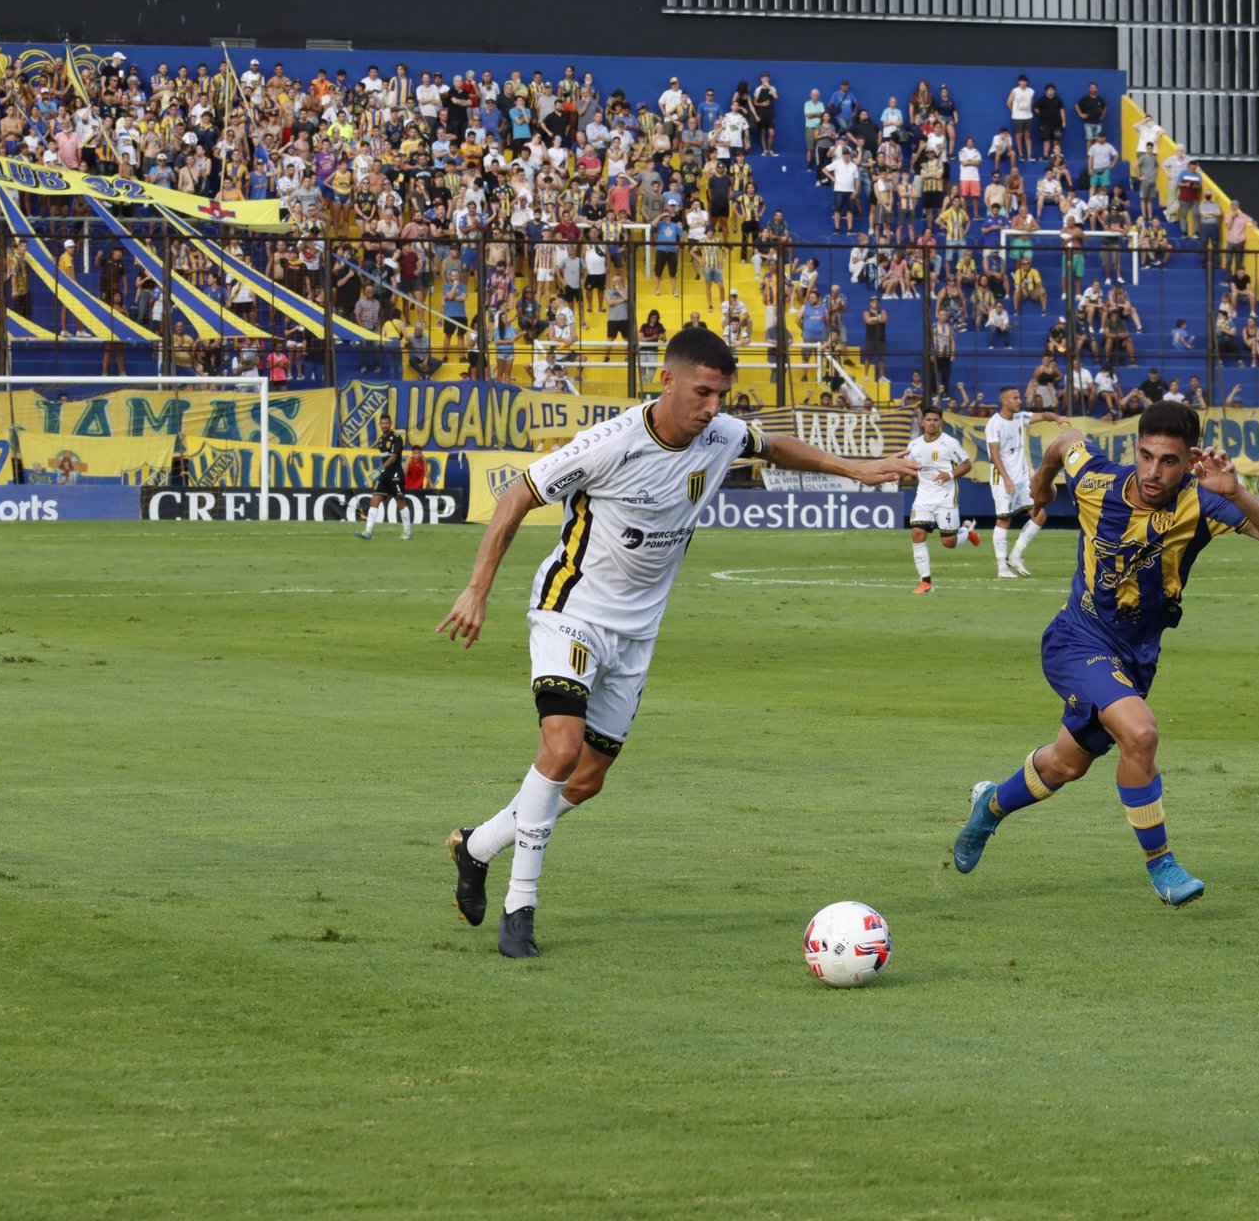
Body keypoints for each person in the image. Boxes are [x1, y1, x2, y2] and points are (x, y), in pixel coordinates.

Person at [437, 328, 919, 957]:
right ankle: (519, 909)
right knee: (560, 750)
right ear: (666, 380)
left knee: (585, 782)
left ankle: (477, 849)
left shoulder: (720, 435)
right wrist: (476, 590)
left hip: (637, 634)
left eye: (721, 394)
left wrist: (853, 469)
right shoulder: (611, 444)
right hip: (571, 611)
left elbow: (774, 446)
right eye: (702, 392)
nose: (713, 407)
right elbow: (518, 494)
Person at [951, 401, 1259, 906]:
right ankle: (1162, 865)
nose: (1155, 471)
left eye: (1170, 461)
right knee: (1141, 733)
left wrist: (1237, 492)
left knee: (1065, 765)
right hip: (1076, 640)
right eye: (1147, 455)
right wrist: (1042, 485)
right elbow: (1065, 442)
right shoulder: (1096, 481)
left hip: (1134, 658)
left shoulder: (1203, 501)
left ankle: (990, 807)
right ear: (1134, 448)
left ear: (1189, 461)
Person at [901, 405, 981, 593]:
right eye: (928, 420)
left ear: (941, 423)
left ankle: (966, 531)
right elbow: (909, 466)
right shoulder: (914, 445)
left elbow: (967, 464)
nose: (931, 423)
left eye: (935, 420)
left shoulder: (950, 443)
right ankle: (926, 582)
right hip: (923, 497)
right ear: (922, 423)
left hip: (945, 497)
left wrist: (950, 474)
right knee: (917, 533)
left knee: (948, 543)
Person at [984, 384, 1058, 578]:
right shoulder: (994, 424)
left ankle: (1015, 556)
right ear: (1005, 401)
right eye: (1015, 398)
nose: (1020, 401)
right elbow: (994, 454)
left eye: (1019, 398)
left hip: (1022, 479)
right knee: (1004, 519)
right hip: (1003, 479)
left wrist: (1057, 418)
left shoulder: (1020, 417)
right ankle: (1002, 568)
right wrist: (1007, 479)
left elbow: (1042, 416)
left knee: (1039, 515)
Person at [356, 413, 412, 541]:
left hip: (395, 475)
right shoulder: (381, 440)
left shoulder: (396, 438)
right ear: (380, 425)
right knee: (374, 500)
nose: (384, 425)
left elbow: (394, 457)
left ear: (390, 424)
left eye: (387, 423)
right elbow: (384, 458)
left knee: (400, 502)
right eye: (382, 423)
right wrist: (380, 472)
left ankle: (407, 532)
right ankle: (367, 532)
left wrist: (381, 469)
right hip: (385, 475)